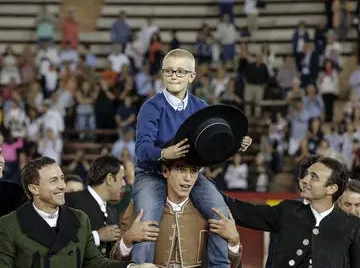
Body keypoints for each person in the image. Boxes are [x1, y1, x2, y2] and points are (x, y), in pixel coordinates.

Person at [133, 48, 252, 266]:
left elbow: (210, 151)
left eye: (180, 72)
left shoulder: (201, 107)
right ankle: (142, 265)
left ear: (192, 76)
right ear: (162, 74)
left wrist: (235, 145)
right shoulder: (151, 107)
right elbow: (141, 150)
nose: (174, 76)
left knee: (221, 213)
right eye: (168, 71)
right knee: (147, 219)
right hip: (151, 173)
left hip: (188, 172)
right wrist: (163, 153)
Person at [0, 156, 156, 268]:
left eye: (62, 178)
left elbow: (95, 263)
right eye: (54, 180)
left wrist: (133, 267)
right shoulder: (9, 225)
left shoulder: (79, 219)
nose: (62, 185)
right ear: (34, 188)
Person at [221, 156, 360, 268]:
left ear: (331, 189)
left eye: (314, 177)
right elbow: (243, 211)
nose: (304, 180)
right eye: (307, 175)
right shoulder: (287, 211)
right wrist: (202, 183)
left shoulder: (353, 226)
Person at [109, 158, 242, 267]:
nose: (188, 178)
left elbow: (232, 264)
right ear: (165, 171)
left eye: (193, 171)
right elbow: (114, 259)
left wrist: (234, 242)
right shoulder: (140, 205)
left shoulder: (210, 209)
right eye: (181, 170)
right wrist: (127, 239)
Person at [66, 155, 129, 258]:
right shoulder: (70, 201)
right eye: (122, 178)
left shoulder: (112, 210)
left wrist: (129, 239)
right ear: (109, 179)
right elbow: (58, 242)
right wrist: (96, 236)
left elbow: (113, 255)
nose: (124, 183)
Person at [265, 154, 322, 268]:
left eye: (314, 176)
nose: (308, 180)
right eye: (305, 174)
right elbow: (273, 260)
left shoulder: (342, 216)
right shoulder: (284, 213)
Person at [0, 135, 26, 217]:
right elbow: (20, 144)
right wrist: (20, 136)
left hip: (12, 165)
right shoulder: (6, 145)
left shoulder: (3, 145)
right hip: (10, 165)